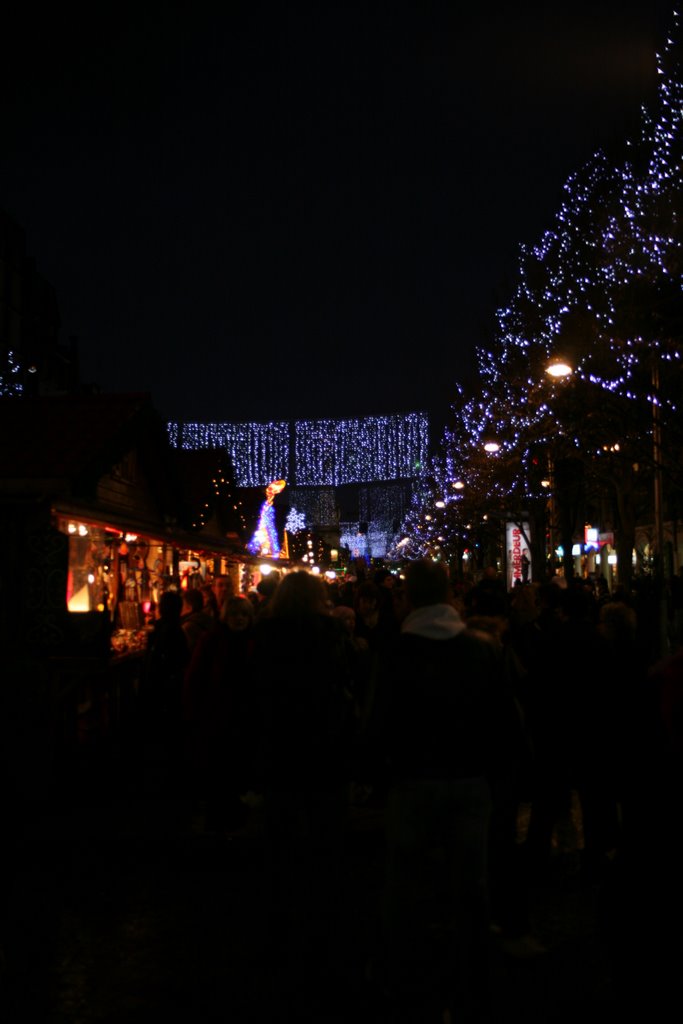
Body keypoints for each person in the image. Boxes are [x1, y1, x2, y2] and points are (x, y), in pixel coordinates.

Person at [371, 558, 521, 1022]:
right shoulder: (481, 650)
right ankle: (471, 979)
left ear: (408, 598)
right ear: (451, 596)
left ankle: (411, 982)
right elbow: (505, 723)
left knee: (408, 887)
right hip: (469, 781)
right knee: (468, 886)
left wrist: (379, 777)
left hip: (412, 782)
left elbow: (378, 725)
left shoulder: (395, 653)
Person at [251, 570, 359, 1012]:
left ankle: (280, 925)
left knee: (282, 837)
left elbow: (253, 694)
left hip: (280, 750)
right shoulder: (333, 635)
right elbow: (349, 685)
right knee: (325, 838)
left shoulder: (264, 636)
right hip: (326, 749)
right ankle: (327, 927)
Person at [183, 593, 257, 833]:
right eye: (235, 614)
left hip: (243, 715)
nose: (240, 619)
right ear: (226, 616)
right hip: (216, 714)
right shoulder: (212, 640)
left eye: (244, 614)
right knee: (218, 769)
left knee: (237, 768)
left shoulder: (253, 641)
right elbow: (195, 678)